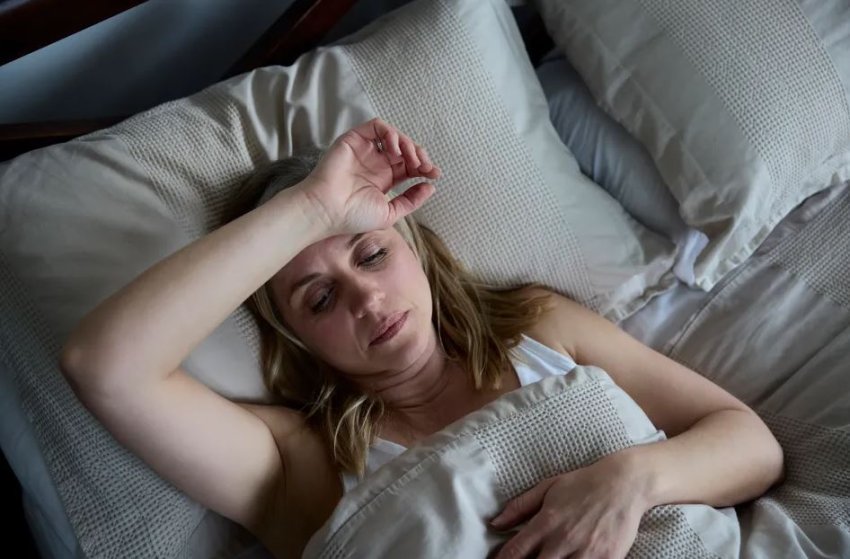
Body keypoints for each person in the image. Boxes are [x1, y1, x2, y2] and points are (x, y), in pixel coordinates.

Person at [60, 118, 785, 559]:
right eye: (319, 298)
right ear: (298, 339)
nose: (366, 298)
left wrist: (628, 480)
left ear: (417, 248)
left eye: (372, 254)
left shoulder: (537, 324)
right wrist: (311, 210)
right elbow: (104, 366)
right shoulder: (297, 462)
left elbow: (750, 443)